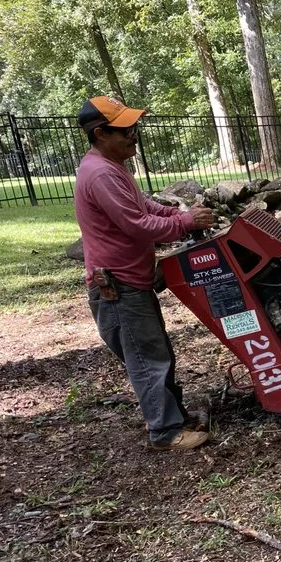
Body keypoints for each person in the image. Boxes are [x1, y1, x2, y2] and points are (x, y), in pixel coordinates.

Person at [74, 96, 216, 451]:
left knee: (155, 351)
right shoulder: (102, 173)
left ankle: (174, 418)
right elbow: (136, 224)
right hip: (117, 288)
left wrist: (177, 215)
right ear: (101, 133)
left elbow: (144, 206)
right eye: (126, 129)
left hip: (129, 280)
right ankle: (165, 432)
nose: (134, 135)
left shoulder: (112, 165)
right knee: (147, 359)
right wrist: (184, 223)